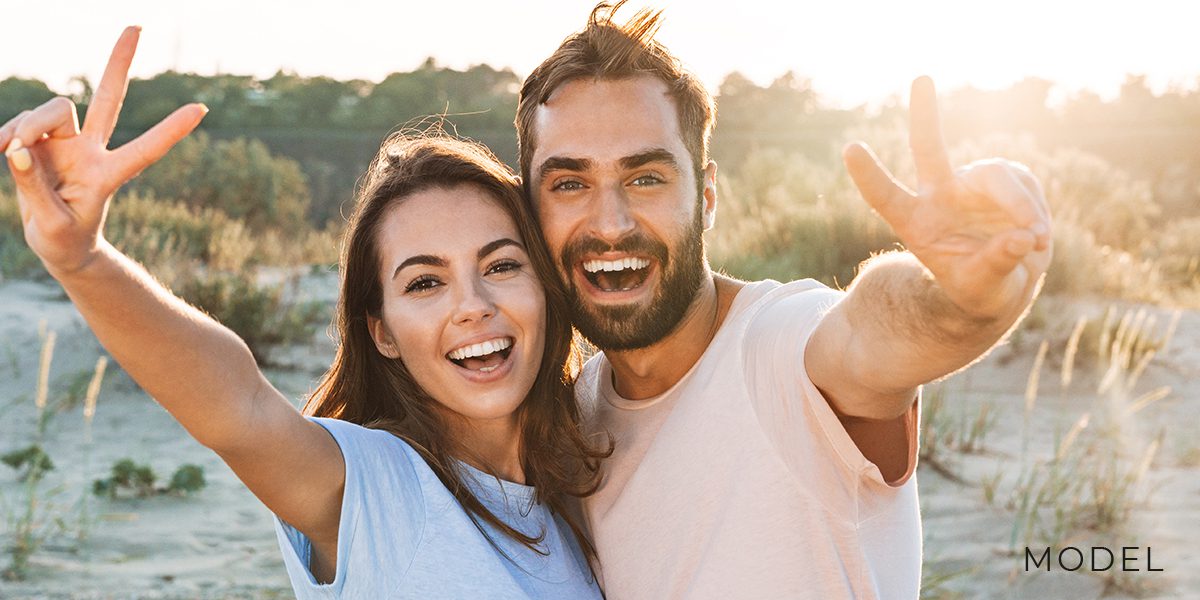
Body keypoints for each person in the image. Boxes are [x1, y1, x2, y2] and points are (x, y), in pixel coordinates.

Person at [1, 27, 609, 599]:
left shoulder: (578, 496)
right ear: (383, 333)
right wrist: (82, 260)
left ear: (544, 286)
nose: (473, 306)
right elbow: (240, 410)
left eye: (501, 266)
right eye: (425, 282)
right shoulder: (376, 489)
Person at [513, 3, 1053, 598]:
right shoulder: (569, 423)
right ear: (530, 213)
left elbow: (867, 339)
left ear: (707, 197)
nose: (611, 224)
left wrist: (959, 298)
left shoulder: (776, 350)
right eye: (570, 184)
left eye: (646, 178)